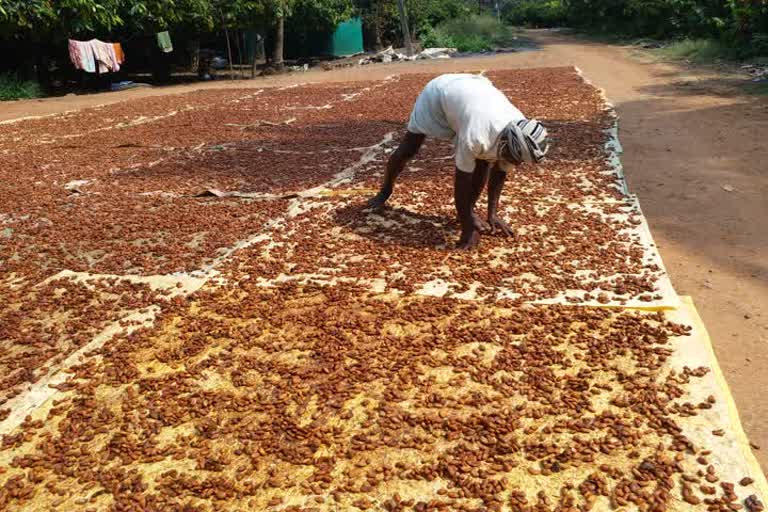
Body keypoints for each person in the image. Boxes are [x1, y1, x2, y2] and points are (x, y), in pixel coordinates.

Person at [367, 73, 549, 250]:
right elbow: (462, 180)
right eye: (514, 159)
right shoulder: (477, 136)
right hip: (439, 94)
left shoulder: (519, 132)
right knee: (408, 149)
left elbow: (501, 171)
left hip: (471, 94)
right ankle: (385, 190)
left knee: (483, 161)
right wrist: (467, 225)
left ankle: (469, 211)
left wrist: (491, 213)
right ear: (507, 144)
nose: (516, 165)